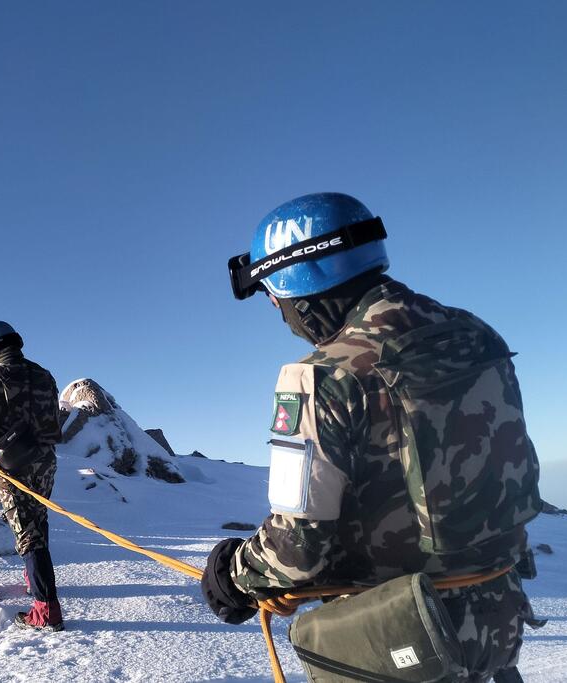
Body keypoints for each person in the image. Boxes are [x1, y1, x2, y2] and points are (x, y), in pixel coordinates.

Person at [203, 193, 542, 681]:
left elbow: (298, 548)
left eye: (272, 293)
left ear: (298, 283)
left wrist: (235, 575)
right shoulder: (475, 335)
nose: (277, 307)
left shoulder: (320, 376)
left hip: (399, 638)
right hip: (498, 623)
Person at [0, 321, 65, 631]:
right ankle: (35, 582)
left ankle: (46, 610)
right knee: (39, 518)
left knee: (26, 532)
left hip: (12, 466)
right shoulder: (44, 375)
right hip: (45, 461)